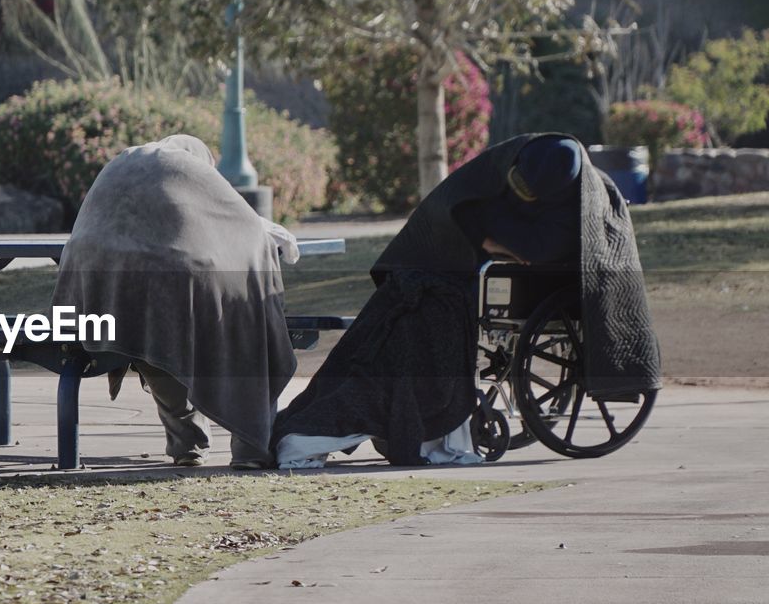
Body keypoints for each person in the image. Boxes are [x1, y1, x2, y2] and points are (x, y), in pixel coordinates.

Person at [273, 133, 661, 469]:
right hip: (439, 269)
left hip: (461, 280)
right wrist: (490, 243)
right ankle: (316, 424)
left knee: (407, 336)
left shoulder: (581, 205)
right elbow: (463, 213)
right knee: (378, 337)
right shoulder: (508, 165)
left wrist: (495, 244)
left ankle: (335, 425)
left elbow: (540, 249)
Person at [52, 134, 299, 468]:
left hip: (97, 297)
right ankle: (251, 449)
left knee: (150, 336)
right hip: (172, 291)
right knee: (245, 326)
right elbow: (243, 226)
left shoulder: (127, 163)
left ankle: (188, 444)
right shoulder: (189, 170)